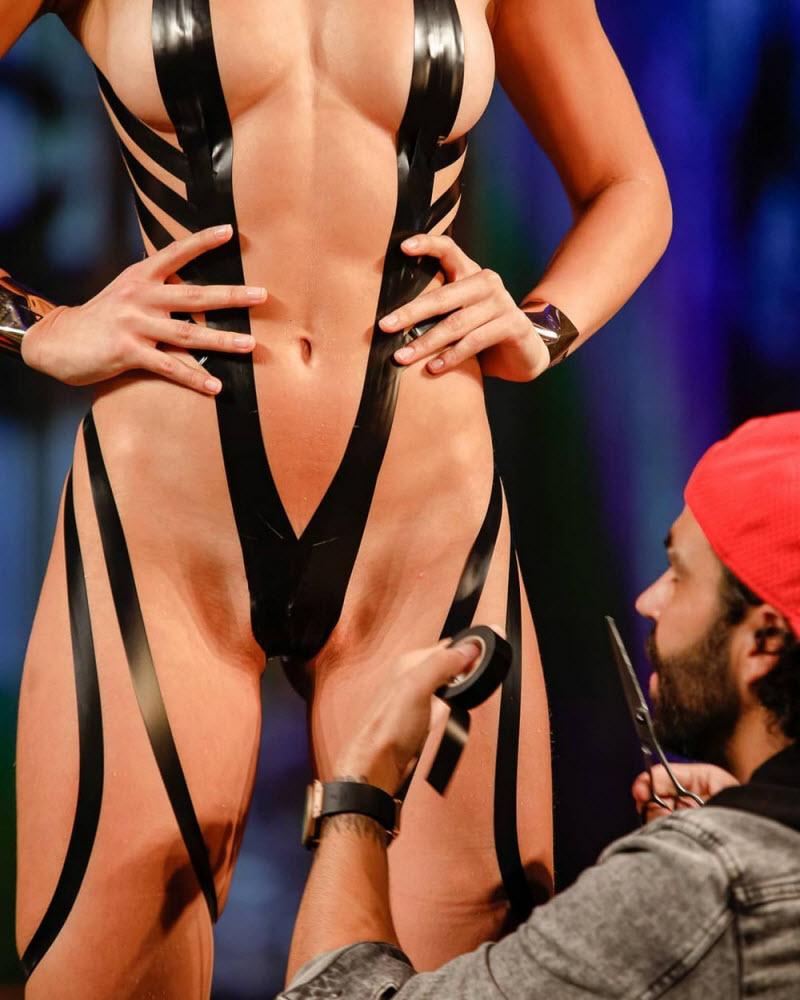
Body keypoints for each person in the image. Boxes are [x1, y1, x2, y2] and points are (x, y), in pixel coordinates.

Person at [2, 1, 672, 994]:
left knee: (452, 980)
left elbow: (630, 187)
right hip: (164, 531)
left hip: (425, 533)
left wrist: (541, 325)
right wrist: (37, 327)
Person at [281, 412, 800, 999]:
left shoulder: (704, 886)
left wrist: (357, 796)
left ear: (764, 640)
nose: (649, 600)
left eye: (679, 575)